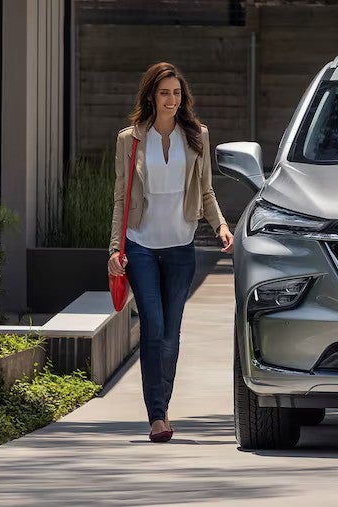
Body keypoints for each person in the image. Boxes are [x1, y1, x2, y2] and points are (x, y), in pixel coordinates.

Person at [108, 62, 234, 443]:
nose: (171, 100)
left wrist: (222, 226)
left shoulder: (196, 136)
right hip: (141, 245)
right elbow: (120, 198)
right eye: (164, 93)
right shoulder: (129, 139)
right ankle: (158, 417)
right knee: (154, 327)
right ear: (151, 96)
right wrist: (115, 248)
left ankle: (163, 404)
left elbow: (206, 191)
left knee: (172, 335)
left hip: (181, 246)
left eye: (177, 93)